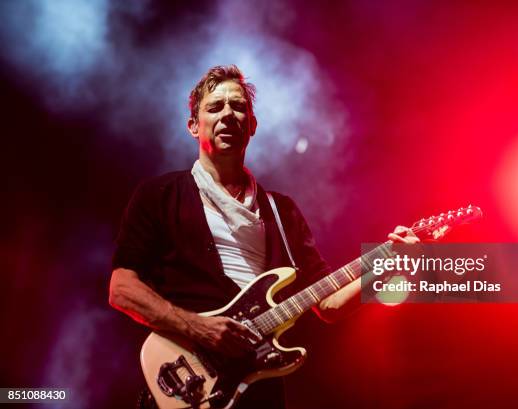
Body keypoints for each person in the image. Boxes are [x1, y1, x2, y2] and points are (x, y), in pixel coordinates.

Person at [109, 65, 418, 409]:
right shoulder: (159, 195)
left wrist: (389, 265)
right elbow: (122, 289)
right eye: (215, 107)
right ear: (193, 126)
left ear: (252, 126)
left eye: (238, 107)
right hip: (188, 382)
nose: (228, 114)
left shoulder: (281, 211)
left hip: (259, 385)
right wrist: (200, 328)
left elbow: (328, 306)